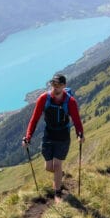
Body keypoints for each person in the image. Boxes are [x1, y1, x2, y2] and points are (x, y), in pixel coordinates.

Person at [23, 73, 84, 202]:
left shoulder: (70, 101)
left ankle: (57, 193)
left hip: (63, 135)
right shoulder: (43, 99)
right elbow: (34, 119)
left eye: (58, 85)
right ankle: (59, 175)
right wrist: (28, 137)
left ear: (64, 86)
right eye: (53, 84)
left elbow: (77, 120)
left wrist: (80, 134)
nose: (55, 87)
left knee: (57, 165)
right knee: (48, 167)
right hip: (49, 134)